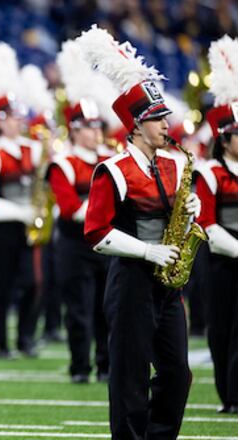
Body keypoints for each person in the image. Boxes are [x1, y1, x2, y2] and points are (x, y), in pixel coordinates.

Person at [79, 25, 198, 438]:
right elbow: (95, 232)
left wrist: (193, 211)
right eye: (157, 118)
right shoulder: (113, 170)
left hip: (168, 284)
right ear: (135, 126)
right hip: (130, 280)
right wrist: (147, 253)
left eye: (165, 116)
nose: (167, 124)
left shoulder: (176, 164)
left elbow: (179, 215)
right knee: (129, 374)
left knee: (178, 373)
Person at [0, 42, 43, 359]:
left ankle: (26, 337)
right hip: (3, 225)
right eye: (11, 116)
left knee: (33, 283)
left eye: (19, 115)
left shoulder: (33, 149)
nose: (18, 121)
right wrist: (23, 210)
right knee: (1, 286)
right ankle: (4, 342)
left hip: (29, 224)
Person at [47, 98, 110, 383]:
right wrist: (109, 211)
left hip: (108, 242)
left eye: (97, 125)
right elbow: (70, 208)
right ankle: (80, 366)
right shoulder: (63, 163)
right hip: (75, 245)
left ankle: (106, 365)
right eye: (88, 126)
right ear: (73, 130)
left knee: (107, 307)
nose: (95, 132)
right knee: (78, 308)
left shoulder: (110, 158)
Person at [195, 35, 238, 414]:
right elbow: (206, 223)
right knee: (223, 327)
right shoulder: (209, 172)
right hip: (223, 259)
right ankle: (229, 394)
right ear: (225, 139)